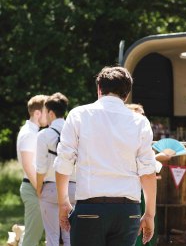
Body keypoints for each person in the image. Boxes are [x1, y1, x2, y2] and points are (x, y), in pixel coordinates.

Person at [54, 66, 158, 246]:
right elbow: (148, 172)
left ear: (99, 89)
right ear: (126, 94)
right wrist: (149, 213)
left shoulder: (79, 115)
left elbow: (64, 161)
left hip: (90, 207)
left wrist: (63, 202)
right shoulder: (140, 122)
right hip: (128, 210)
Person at [126, 103, 172, 246]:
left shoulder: (143, 137)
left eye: (143, 114)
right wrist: (159, 157)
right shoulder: (125, 138)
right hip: (130, 194)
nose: (142, 118)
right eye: (138, 114)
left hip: (143, 193)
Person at [36, 92, 76, 246]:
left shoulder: (43, 135)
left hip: (51, 188)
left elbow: (41, 167)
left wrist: (39, 188)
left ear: (51, 113)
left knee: (52, 236)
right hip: (73, 188)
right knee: (70, 236)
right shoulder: (74, 133)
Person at [17, 94, 48, 246]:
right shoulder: (29, 134)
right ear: (37, 113)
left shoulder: (32, 131)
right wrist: (40, 190)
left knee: (32, 234)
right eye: (46, 111)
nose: (49, 115)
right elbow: (28, 165)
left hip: (33, 186)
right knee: (32, 238)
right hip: (33, 187)